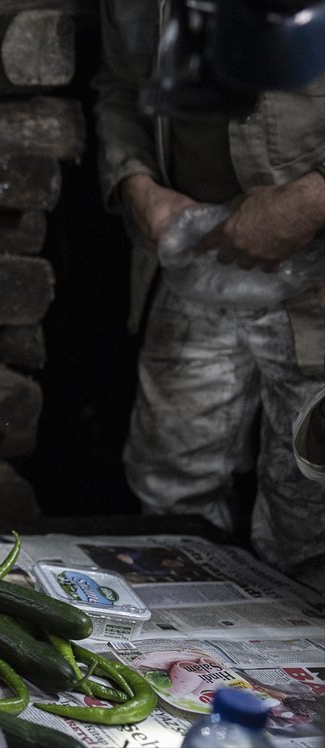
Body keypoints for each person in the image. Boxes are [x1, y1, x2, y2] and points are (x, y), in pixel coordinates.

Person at [94, 0, 325, 593]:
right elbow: (121, 85)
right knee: (171, 497)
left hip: (318, 268)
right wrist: (135, 182)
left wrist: (311, 200)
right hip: (195, 258)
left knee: (311, 515)